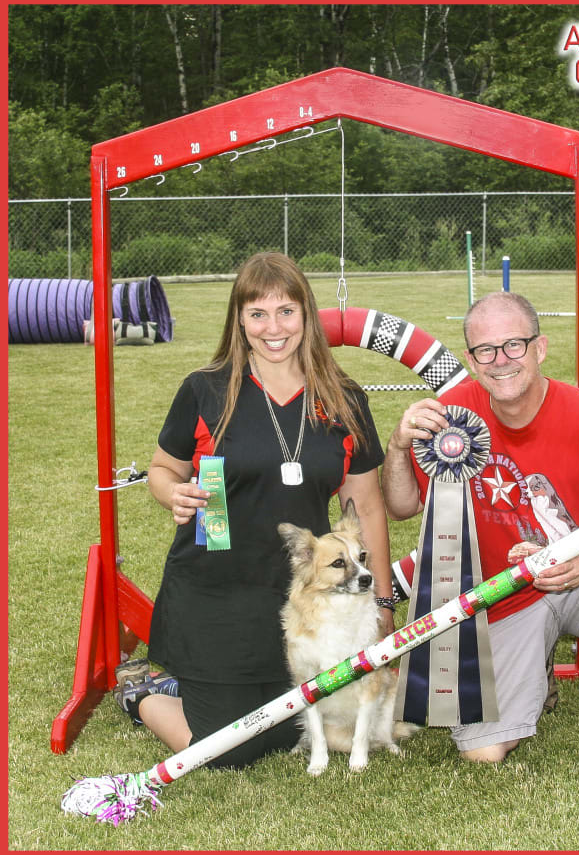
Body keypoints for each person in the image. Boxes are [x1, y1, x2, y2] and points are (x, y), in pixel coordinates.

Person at [113, 252, 394, 769]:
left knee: (292, 723)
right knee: (232, 749)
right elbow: (161, 469)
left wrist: (382, 599)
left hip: (305, 600)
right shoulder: (206, 388)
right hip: (216, 590)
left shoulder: (345, 398)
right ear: (239, 319)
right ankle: (142, 694)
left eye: (286, 311)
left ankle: (196, 688)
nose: (273, 327)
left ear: (307, 315)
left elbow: (368, 508)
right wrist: (172, 493)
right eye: (258, 313)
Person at [381, 290, 579, 789]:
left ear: (541, 348)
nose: (500, 361)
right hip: (508, 593)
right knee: (483, 753)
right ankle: (542, 666)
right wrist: (399, 447)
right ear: (469, 359)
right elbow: (402, 506)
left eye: (514, 345)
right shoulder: (452, 418)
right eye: (485, 350)